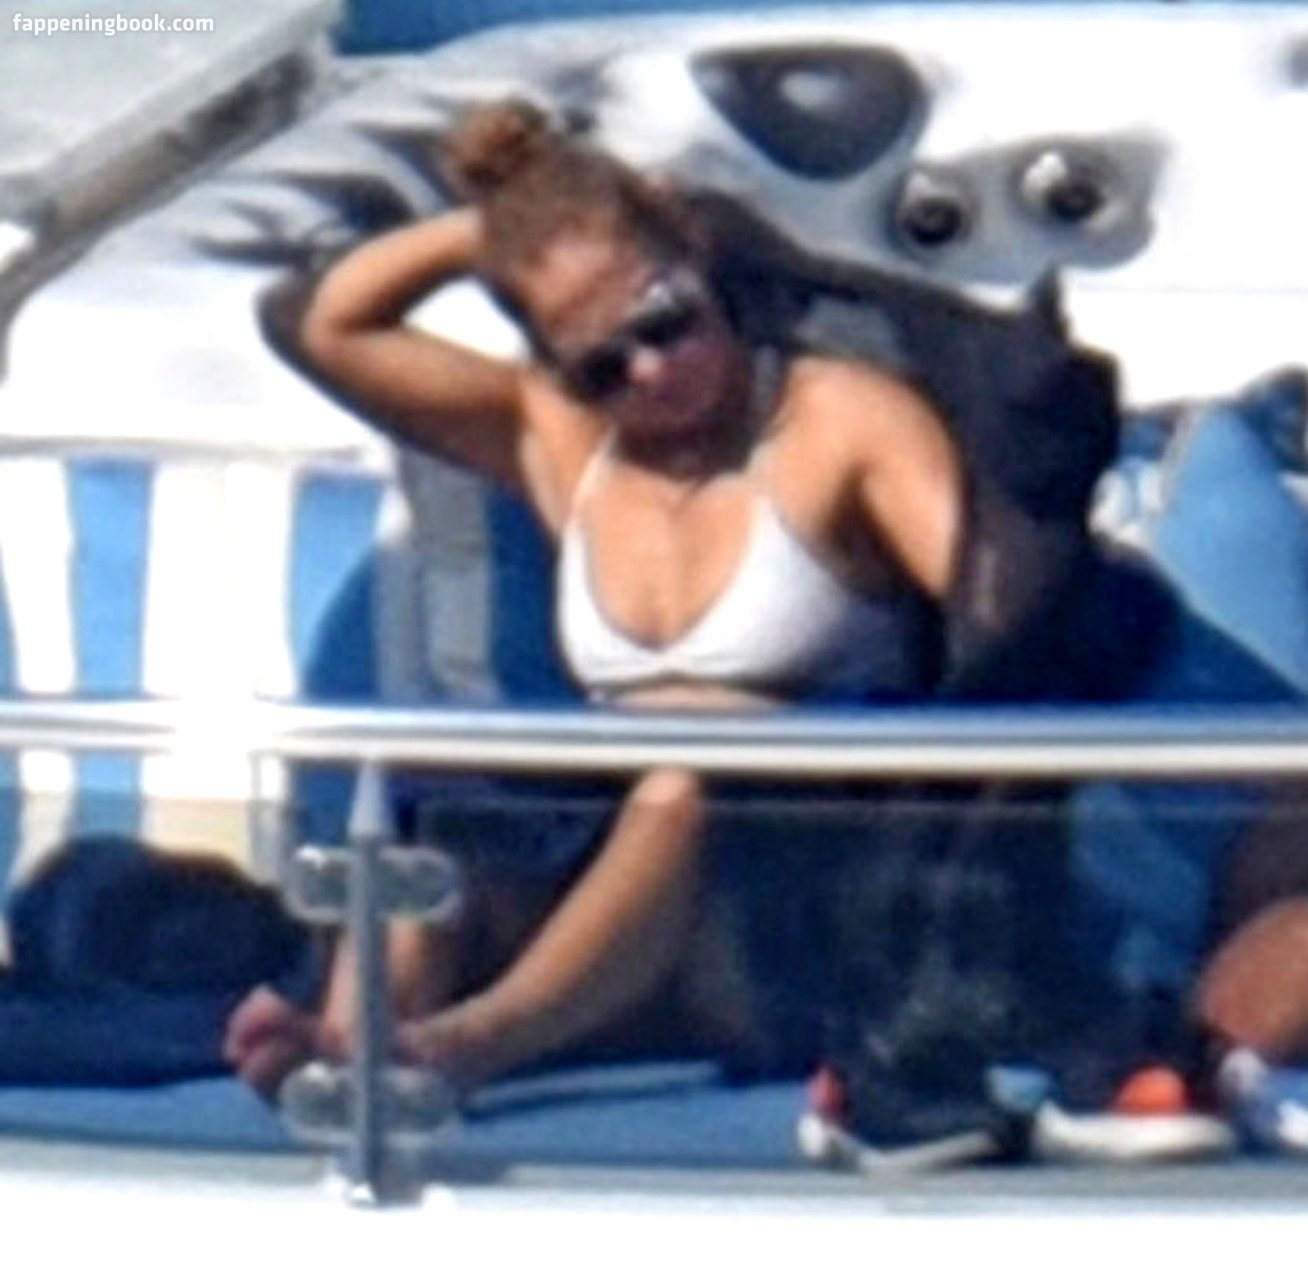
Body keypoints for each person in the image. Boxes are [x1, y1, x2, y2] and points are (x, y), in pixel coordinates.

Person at [225, 98, 1308, 1122]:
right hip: (614, 869)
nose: (652, 371)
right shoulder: (558, 439)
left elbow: (997, 626)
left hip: (808, 878)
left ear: (698, 261)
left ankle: (464, 1047)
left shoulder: (840, 423)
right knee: (442, 820)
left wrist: (613, 212)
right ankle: (352, 1045)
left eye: (666, 321)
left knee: (682, 785)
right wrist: (505, 228)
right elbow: (316, 323)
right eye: (602, 364)